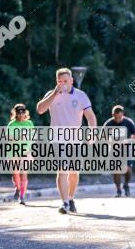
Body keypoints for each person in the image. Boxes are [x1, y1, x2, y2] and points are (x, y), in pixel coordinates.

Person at [36, 67, 97, 214]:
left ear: (71, 80)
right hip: (57, 139)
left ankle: (70, 198)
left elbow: (90, 117)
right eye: (59, 81)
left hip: (75, 140)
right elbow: (40, 109)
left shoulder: (81, 96)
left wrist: (92, 132)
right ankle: (64, 203)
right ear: (56, 81)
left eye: (65, 80)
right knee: (62, 171)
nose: (62, 83)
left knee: (74, 172)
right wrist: (54, 93)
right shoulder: (52, 95)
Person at [102, 106, 135, 197]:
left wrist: (128, 140)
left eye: (120, 117)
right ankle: (118, 190)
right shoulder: (109, 123)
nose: (118, 119)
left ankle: (126, 184)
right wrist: (110, 142)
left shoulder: (128, 122)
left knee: (128, 169)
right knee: (116, 170)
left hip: (127, 149)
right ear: (113, 115)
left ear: (122, 114)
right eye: (116, 117)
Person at [7, 103, 34, 205]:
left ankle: (22, 196)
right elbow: (9, 139)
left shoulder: (29, 123)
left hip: (26, 152)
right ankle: (17, 188)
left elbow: (33, 137)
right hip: (13, 152)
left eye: (23, 111)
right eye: (19, 112)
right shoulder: (12, 124)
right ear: (15, 113)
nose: (21, 114)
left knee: (24, 173)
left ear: (25, 112)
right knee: (15, 173)